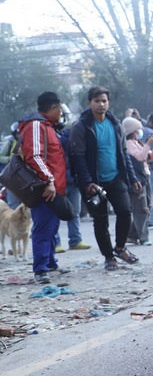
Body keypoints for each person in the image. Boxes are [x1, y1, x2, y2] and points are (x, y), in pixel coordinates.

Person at [70, 86, 141, 271]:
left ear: (108, 103)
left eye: (104, 101)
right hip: (94, 183)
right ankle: (109, 257)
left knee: (125, 212)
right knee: (101, 221)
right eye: (97, 101)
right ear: (89, 103)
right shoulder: (82, 126)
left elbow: (124, 153)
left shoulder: (115, 123)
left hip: (116, 178)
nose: (101, 104)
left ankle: (120, 248)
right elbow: (78, 157)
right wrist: (87, 183)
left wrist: (132, 177)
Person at [19, 92, 66, 284]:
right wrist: (49, 181)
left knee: (52, 227)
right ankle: (40, 269)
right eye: (60, 109)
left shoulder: (48, 127)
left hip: (55, 187)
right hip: (45, 188)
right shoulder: (36, 126)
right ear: (53, 108)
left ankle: (50, 262)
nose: (61, 113)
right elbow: (35, 156)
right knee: (43, 228)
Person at [55, 105, 92, 252]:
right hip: (59, 181)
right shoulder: (56, 135)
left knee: (74, 212)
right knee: (56, 214)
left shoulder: (70, 134)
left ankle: (75, 240)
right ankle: (56, 242)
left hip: (73, 179)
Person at [123, 117, 153, 246]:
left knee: (147, 206)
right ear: (133, 130)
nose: (140, 131)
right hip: (136, 180)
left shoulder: (138, 143)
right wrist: (148, 144)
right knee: (141, 208)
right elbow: (139, 157)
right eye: (138, 129)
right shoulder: (128, 144)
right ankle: (144, 237)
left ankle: (131, 235)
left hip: (145, 176)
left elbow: (151, 157)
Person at [0, 122, 23, 209]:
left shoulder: (30, 142)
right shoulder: (10, 143)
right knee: (13, 204)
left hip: (27, 177)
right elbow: (1, 157)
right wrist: (11, 159)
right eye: (18, 134)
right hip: (12, 177)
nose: (20, 135)